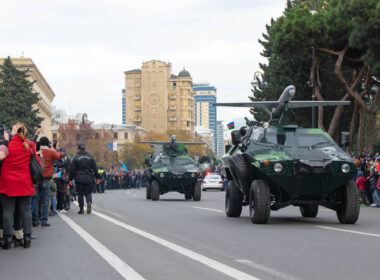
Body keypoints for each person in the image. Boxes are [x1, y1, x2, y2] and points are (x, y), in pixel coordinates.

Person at [0, 123, 42, 249]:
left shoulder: (6, 145)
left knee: (7, 211)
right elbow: (38, 163)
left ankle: (7, 238)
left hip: (8, 182)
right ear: (24, 132)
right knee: (25, 210)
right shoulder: (29, 145)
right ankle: (27, 237)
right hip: (24, 182)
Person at [32, 136, 61, 227]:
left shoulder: (37, 152)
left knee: (36, 199)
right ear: (48, 143)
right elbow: (57, 157)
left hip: (37, 178)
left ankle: (35, 220)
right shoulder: (50, 152)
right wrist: (56, 148)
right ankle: (44, 220)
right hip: (46, 178)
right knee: (45, 199)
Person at [69, 143, 100, 214]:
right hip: (89, 177)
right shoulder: (90, 157)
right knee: (88, 193)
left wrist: (70, 179)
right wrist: (98, 177)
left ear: (78, 149)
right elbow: (95, 168)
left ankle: (81, 209)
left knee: (80, 194)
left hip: (79, 178)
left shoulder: (76, 158)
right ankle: (89, 202)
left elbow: (72, 170)